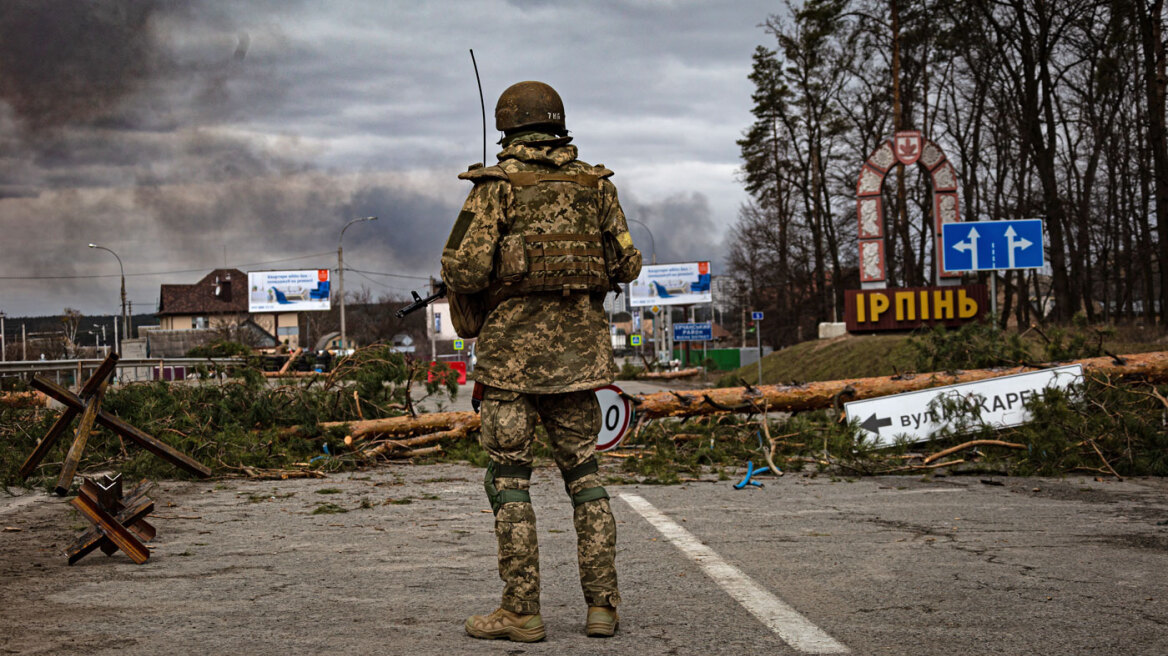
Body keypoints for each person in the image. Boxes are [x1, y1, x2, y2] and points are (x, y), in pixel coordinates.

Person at [440, 80, 642, 643]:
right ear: (558, 124)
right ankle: (602, 606)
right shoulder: (597, 187)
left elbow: (463, 270)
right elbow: (626, 264)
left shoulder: (495, 188)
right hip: (580, 361)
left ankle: (521, 611)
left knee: (509, 481)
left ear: (508, 127)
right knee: (586, 478)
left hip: (510, 364)